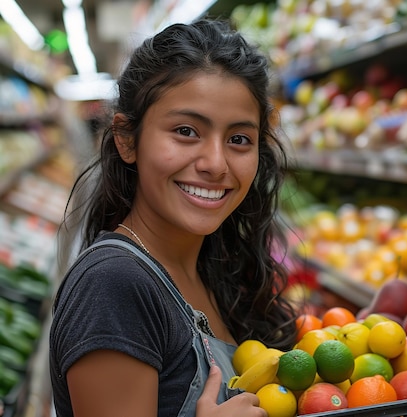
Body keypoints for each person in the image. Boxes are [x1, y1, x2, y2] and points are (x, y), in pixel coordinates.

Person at [49, 18, 298, 417]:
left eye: (238, 139)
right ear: (127, 139)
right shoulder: (113, 287)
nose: (216, 164)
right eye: (186, 130)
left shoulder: (216, 265)